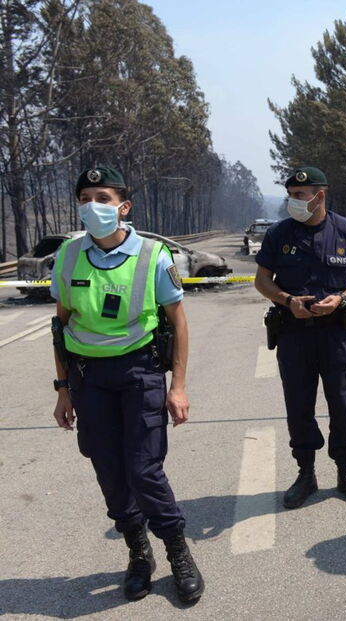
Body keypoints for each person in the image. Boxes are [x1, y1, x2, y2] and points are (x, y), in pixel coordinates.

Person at [50, 166, 204, 604]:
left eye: (102, 198)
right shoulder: (68, 256)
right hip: (89, 378)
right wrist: (63, 389)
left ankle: (177, 551)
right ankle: (138, 552)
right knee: (109, 469)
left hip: (140, 372)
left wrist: (178, 387)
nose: (92, 206)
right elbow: (60, 327)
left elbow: (178, 323)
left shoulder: (153, 255)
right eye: (85, 198)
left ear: (124, 207)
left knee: (143, 469)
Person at [255, 166, 346, 509]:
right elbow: (262, 280)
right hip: (294, 336)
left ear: (319, 196)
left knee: (342, 405)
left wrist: (342, 298)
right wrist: (287, 301)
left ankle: (345, 472)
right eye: (290, 195)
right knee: (298, 406)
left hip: (336, 336)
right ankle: (305, 474)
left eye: (299, 196)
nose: (293, 201)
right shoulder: (279, 234)